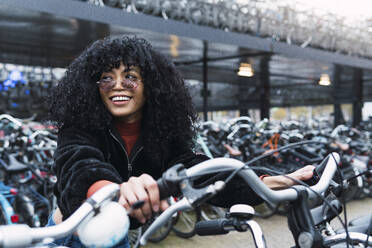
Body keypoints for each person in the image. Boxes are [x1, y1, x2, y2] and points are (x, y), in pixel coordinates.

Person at [47, 36, 314, 247]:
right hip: (69, 236)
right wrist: (114, 189)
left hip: (116, 236)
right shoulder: (80, 125)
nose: (117, 85)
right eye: (107, 78)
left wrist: (269, 182)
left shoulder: (162, 131)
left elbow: (198, 172)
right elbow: (78, 165)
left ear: (149, 85)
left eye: (130, 76)